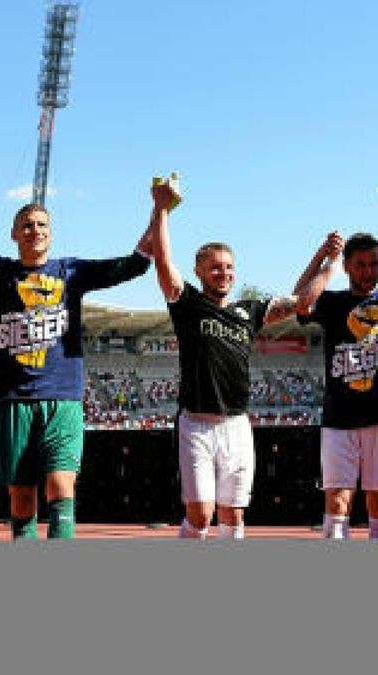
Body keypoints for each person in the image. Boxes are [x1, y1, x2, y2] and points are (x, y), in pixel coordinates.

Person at [0, 184, 155, 540]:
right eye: (28, 224)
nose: (35, 230)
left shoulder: (71, 272)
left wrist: (160, 211)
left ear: (51, 234)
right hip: (13, 400)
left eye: (42, 225)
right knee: (21, 499)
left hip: (63, 398)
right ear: (14, 233)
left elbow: (136, 264)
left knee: (61, 489)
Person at [150, 177, 339, 539]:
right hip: (196, 424)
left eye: (229, 267)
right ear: (200, 271)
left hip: (236, 424)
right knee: (202, 515)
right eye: (216, 267)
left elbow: (300, 301)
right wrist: (161, 208)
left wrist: (324, 260)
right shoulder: (189, 304)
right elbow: (163, 262)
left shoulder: (248, 311)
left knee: (233, 517)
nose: (224, 273)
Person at [295, 223, 378, 539]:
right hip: (339, 418)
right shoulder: (333, 302)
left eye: (374, 263)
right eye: (361, 264)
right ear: (348, 266)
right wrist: (325, 260)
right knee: (337, 504)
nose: (369, 271)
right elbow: (300, 301)